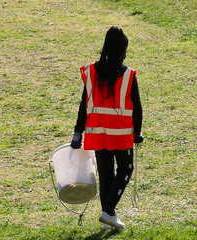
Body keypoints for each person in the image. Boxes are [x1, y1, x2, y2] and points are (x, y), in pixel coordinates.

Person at [70, 26, 143, 229]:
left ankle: (107, 222)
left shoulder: (92, 71)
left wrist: (77, 132)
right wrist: (137, 133)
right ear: (122, 50)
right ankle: (109, 212)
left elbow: (84, 104)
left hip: (97, 133)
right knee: (126, 169)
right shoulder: (128, 74)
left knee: (106, 175)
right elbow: (137, 107)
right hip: (121, 135)